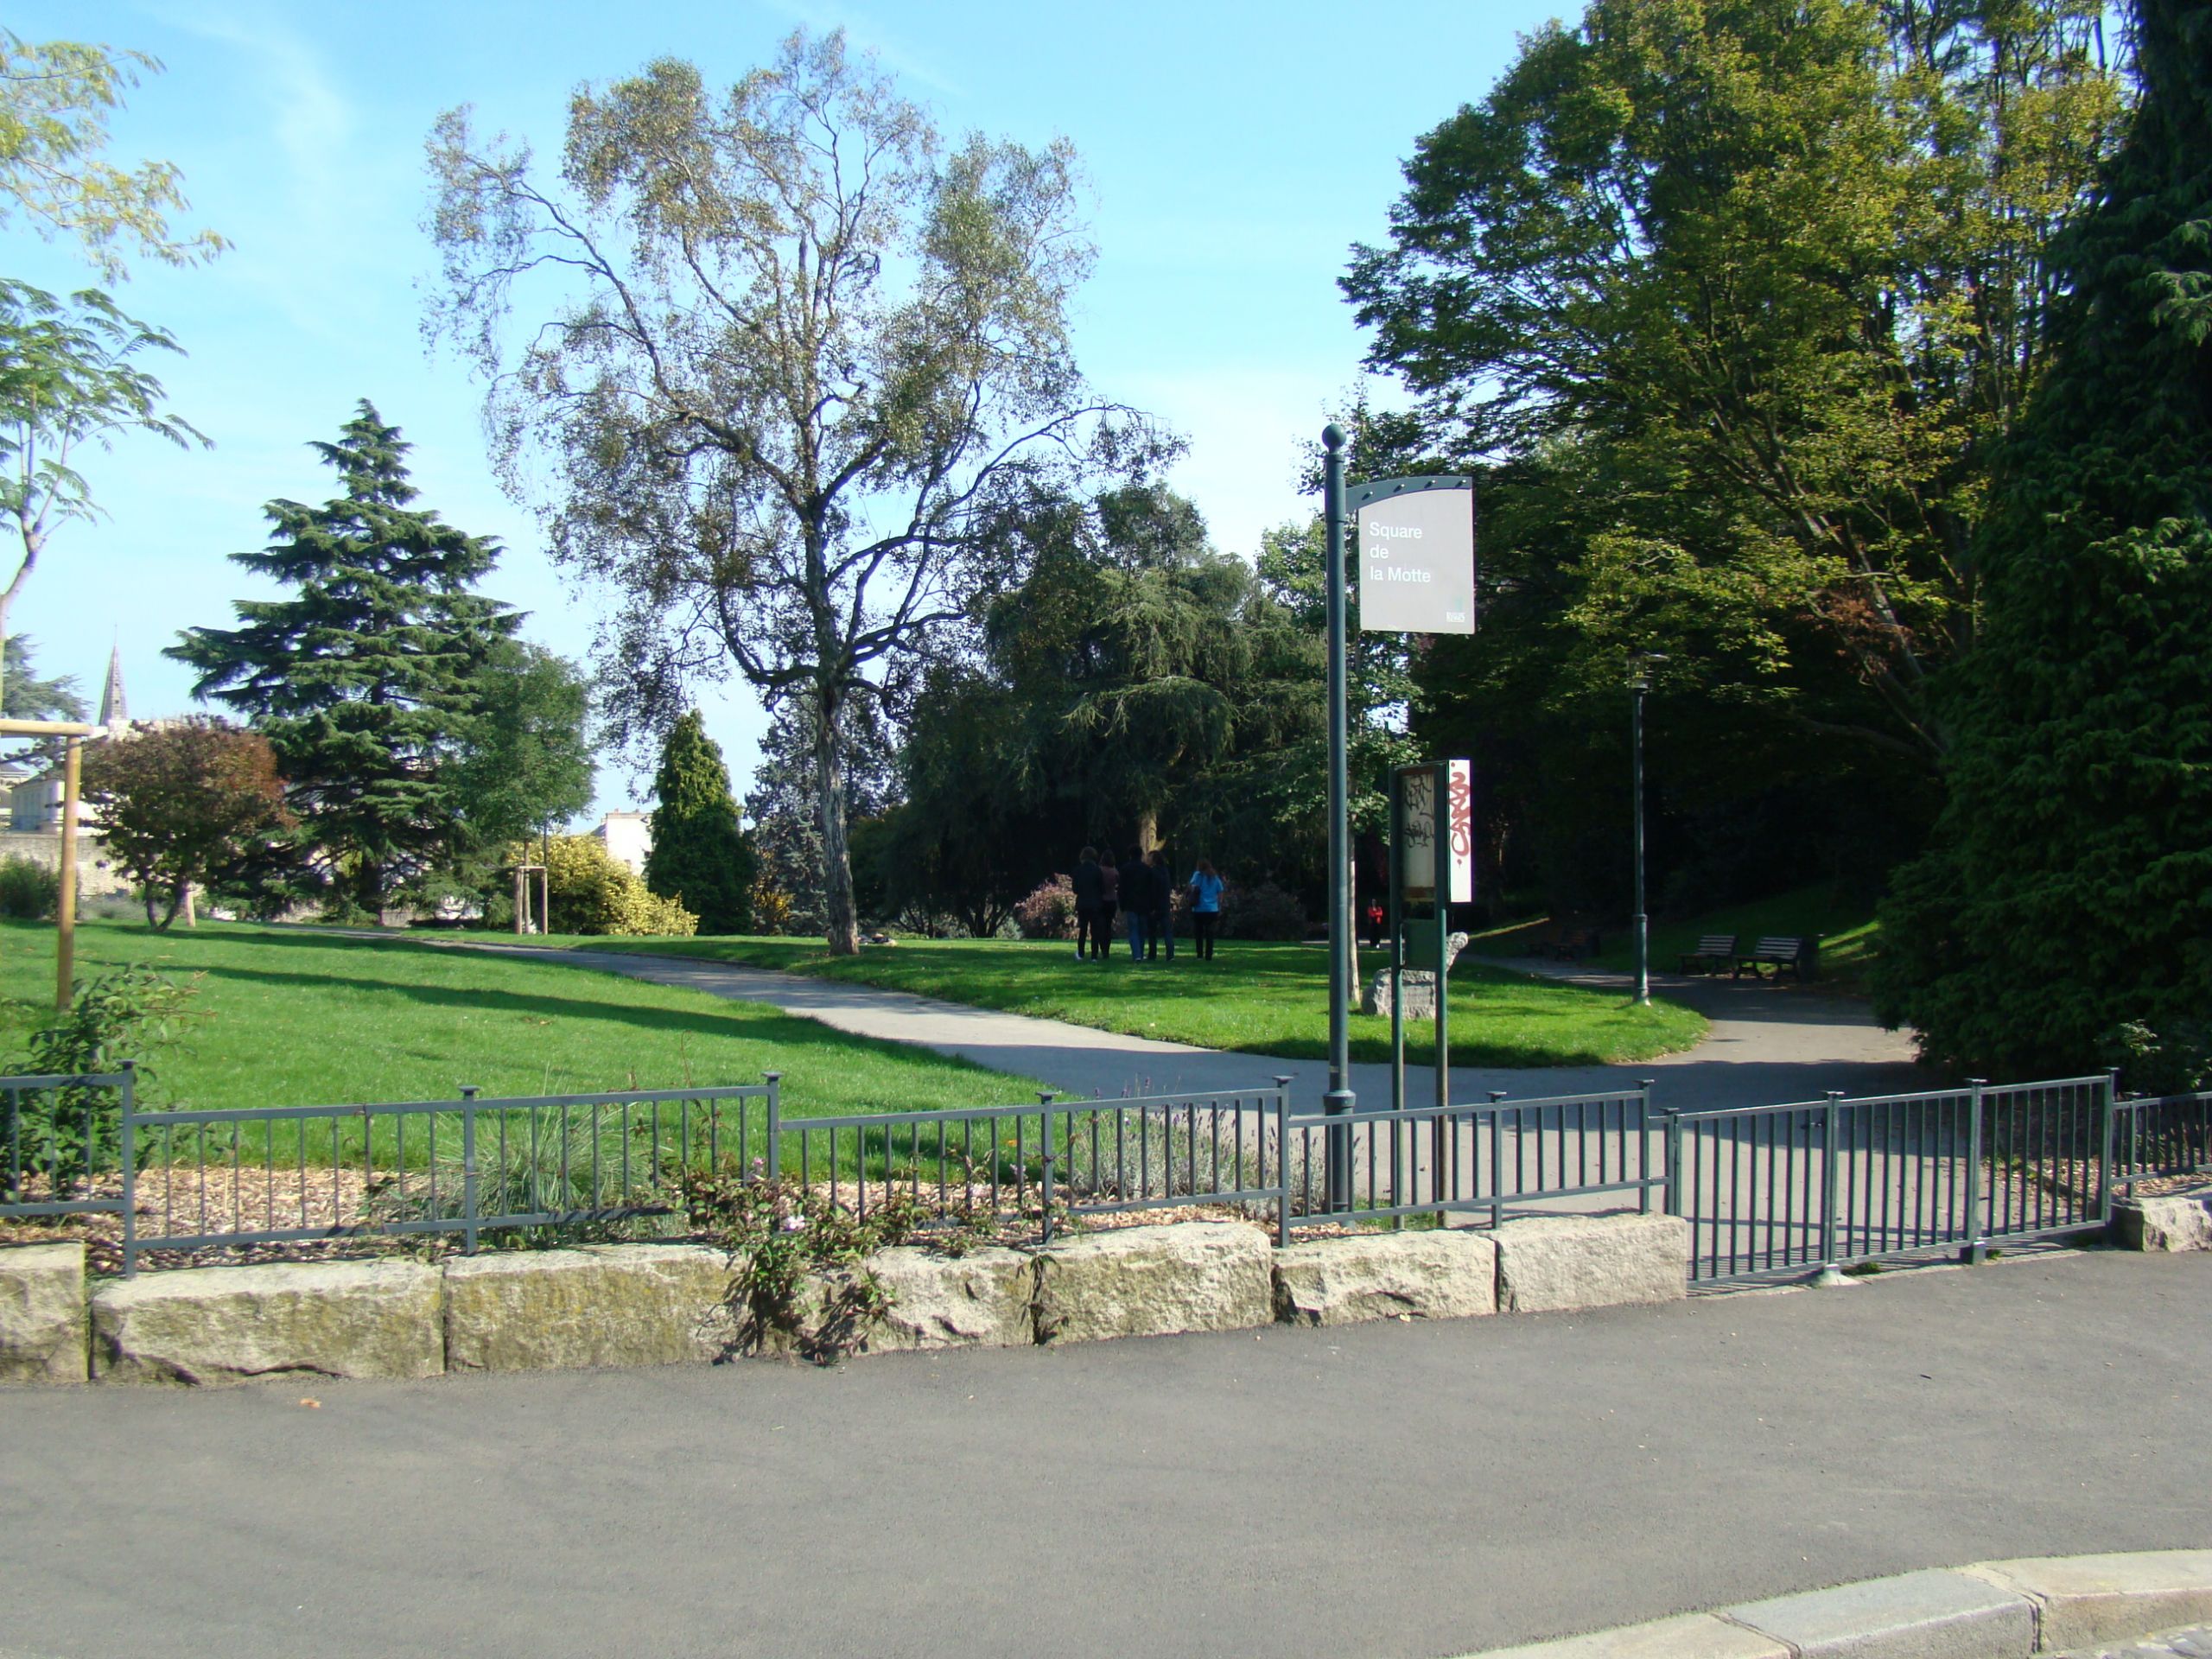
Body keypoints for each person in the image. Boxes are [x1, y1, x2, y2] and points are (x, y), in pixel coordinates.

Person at [1186, 857, 1225, 960]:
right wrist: (1219, 904)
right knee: (1210, 933)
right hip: (1212, 909)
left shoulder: (1197, 875)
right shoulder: (1214, 877)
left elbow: (1191, 887)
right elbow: (1220, 891)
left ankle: (1199, 954)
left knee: (1198, 933)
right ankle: (1209, 955)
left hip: (1199, 908)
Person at [1122, 845, 1154, 962]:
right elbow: (1151, 888)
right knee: (1142, 930)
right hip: (1144, 904)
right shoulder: (1147, 869)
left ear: (1130, 855)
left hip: (1131, 903)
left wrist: (1122, 903)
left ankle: (1137, 955)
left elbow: (1122, 888)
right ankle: (1140, 952)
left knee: (1133, 930)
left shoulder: (1125, 869)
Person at [1071, 847, 1102, 961]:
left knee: (1083, 929)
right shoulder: (1098, 870)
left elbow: (1075, 889)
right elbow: (1101, 888)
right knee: (1095, 930)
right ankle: (1094, 956)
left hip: (1083, 903)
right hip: (1095, 903)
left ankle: (1081, 953)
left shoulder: (1077, 870)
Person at [1146, 848, 1174, 961]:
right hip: (1165, 905)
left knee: (1152, 932)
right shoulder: (1165, 871)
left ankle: (1152, 954)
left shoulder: (1152, 872)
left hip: (1155, 906)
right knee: (1167, 931)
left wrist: (1151, 906)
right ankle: (1170, 954)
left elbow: (1152, 891)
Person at [1094, 846, 1120, 961]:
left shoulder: (1099, 870)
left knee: (1100, 926)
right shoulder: (1115, 871)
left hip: (1100, 900)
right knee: (1108, 926)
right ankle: (1107, 951)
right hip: (1112, 900)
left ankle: (1102, 947)